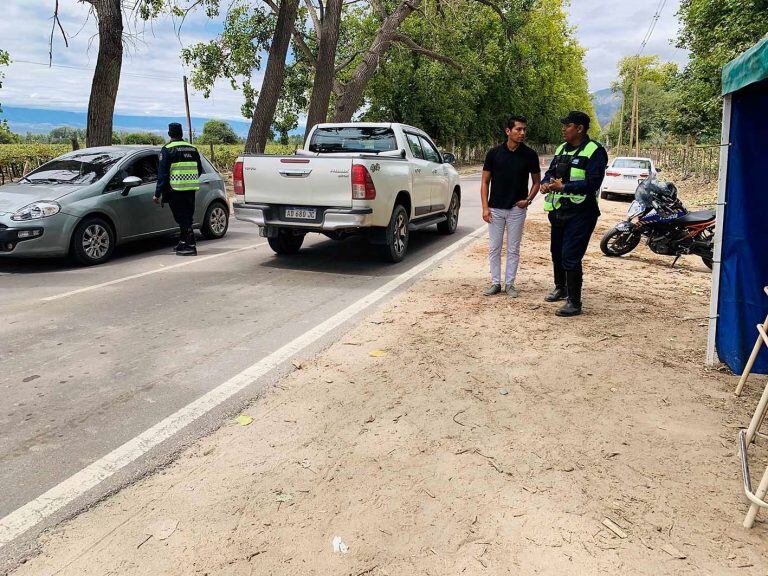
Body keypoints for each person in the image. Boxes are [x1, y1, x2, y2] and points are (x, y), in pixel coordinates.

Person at [540, 111, 608, 317]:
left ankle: (574, 302)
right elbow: (551, 172)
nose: (563, 129)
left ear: (579, 128)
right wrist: (545, 183)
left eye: (567, 125)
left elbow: (593, 183)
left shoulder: (594, 150)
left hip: (581, 213)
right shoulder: (561, 148)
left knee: (571, 255)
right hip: (559, 210)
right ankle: (560, 287)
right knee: (557, 252)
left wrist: (565, 187)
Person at [480, 115, 541, 297]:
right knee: (494, 247)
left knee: (513, 248)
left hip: (517, 209)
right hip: (496, 209)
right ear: (508, 131)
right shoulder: (493, 154)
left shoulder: (530, 154)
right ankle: (495, 283)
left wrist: (528, 200)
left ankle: (510, 284)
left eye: (524, 129)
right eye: (518, 129)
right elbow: (485, 182)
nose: (522, 133)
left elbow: (536, 182)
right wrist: (485, 208)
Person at [154, 123, 203, 256]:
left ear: (170, 134)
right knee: (187, 216)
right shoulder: (193, 148)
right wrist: (189, 179)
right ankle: (182, 242)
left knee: (181, 217)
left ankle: (191, 246)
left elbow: (162, 174)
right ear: (182, 134)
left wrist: (157, 193)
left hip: (175, 189)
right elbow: (199, 169)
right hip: (191, 188)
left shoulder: (167, 149)